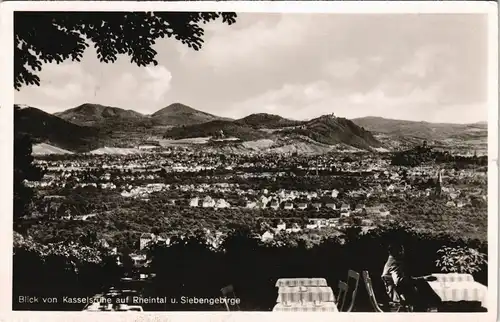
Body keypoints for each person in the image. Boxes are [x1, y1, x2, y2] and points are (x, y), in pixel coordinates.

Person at [381, 241, 442, 312]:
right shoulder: (395, 263)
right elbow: (400, 281)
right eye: (402, 250)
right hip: (398, 295)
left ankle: (438, 303)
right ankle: (439, 304)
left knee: (421, 283)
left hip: (396, 293)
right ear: (399, 252)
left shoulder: (391, 262)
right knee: (422, 284)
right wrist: (424, 279)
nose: (404, 252)